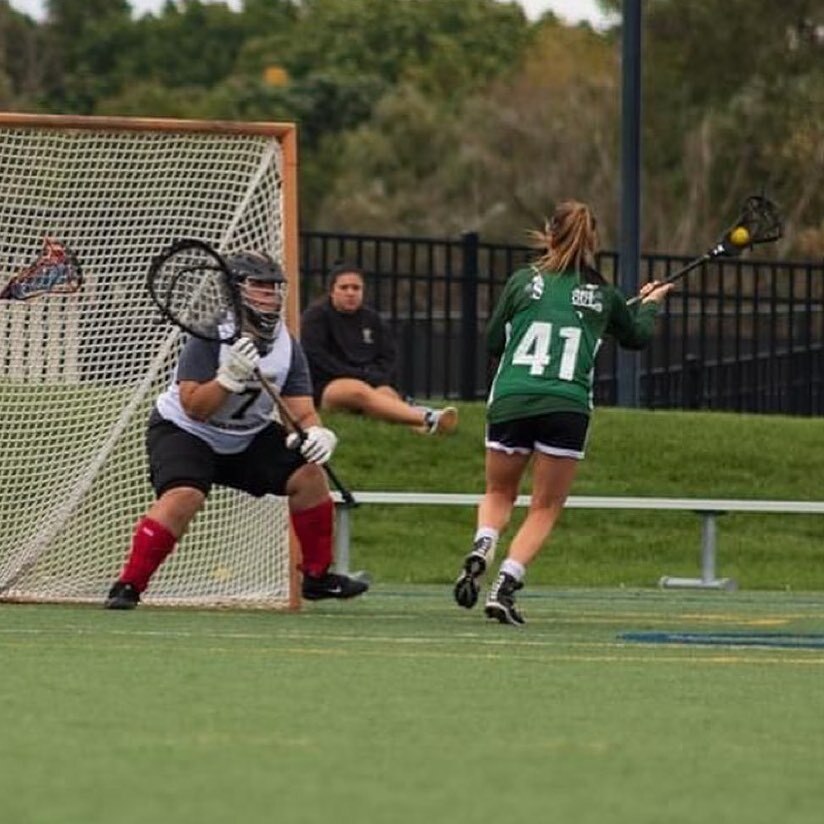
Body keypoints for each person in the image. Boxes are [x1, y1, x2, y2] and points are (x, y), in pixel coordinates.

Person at [105, 251, 368, 609]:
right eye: (259, 287)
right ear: (234, 290)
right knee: (185, 495)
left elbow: (301, 411)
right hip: (186, 432)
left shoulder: (287, 345)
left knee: (309, 474)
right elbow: (194, 407)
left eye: (274, 288)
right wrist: (228, 378)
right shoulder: (210, 335)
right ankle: (128, 585)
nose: (270, 295)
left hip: (246, 435)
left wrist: (318, 434)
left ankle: (318, 577)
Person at [452, 200, 673, 626]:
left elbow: (494, 340)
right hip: (566, 406)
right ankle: (506, 584)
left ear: (549, 233)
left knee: (499, 493)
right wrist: (649, 303)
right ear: (592, 242)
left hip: (512, 398)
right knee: (545, 505)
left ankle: (483, 542)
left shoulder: (522, 282)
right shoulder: (603, 295)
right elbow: (638, 337)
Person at [300, 262, 458, 435]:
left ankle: (421, 427)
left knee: (386, 392)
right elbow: (317, 357)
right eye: (344, 288)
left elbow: (388, 356)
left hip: (371, 383)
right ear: (332, 291)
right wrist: (358, 376)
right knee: (357, 390)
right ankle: (427, 416)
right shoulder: (316, 317)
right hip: (328, 386)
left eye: (356, 288)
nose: (350, 293)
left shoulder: (372, 319)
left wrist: (376, 376)